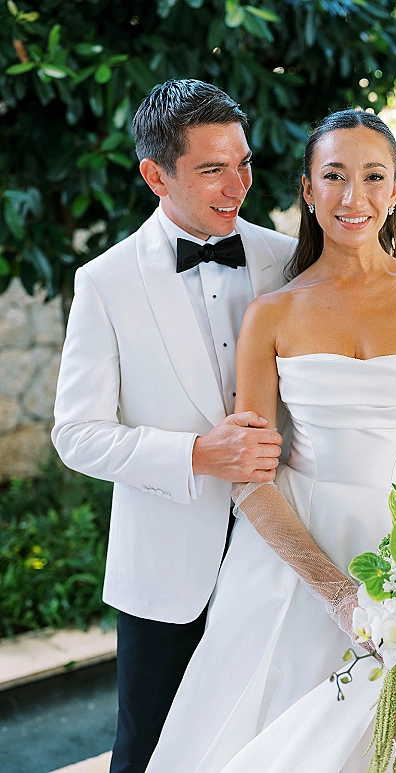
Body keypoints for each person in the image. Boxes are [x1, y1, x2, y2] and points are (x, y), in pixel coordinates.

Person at [145, 109, 396, 773]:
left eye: (371, 176)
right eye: (333, 175)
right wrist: (337, 592)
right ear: (307, 189)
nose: (352, 197)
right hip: (290, 567)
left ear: (394, 189)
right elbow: (250, 476)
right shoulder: (271, 313)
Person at [51, 79, 296, 773]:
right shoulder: (106, 281)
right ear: (155, 174)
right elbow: (77, 432)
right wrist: (195, 453)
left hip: (278, 555)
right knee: (146, 754)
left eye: (243, 162)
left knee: (262, 745)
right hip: (163, 573)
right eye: (212, 168)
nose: (237, 185)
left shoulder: (285, 259)